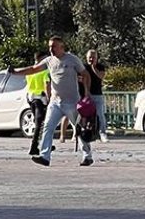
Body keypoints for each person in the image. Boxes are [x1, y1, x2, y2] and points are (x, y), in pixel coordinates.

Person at [9, 36, 90, 167]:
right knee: (47, 127)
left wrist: (86, 92)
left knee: (79, 129)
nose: (51, 49)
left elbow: (85, 74)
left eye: (54, 46)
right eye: (50, 47)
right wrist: (15, 72)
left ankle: (87, 156)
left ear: (62, 47)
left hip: (71, 101)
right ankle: (45, 156)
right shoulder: (49, 61)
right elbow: (33, 69)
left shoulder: (72, 59)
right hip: (55, 102)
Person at [24, 52, 50, 157]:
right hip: (41, 99)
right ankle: (34, 146)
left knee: (39, 123)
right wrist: (49, 98)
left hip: (31, 98)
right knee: (42, 124)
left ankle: (45, 144)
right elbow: (46, 85)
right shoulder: (44, 71)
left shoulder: (30, 71)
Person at [86, 49, 108, 144]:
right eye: (90, 57)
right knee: (85, 116)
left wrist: (93, 68)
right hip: (86, 94)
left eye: (93, 57)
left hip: (97, 94)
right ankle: (87, 134)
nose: (91, 59)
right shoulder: (83, 67)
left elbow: (101, 76)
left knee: (100, 115)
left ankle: (102, 133)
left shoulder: (100, 67)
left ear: (97, 58)